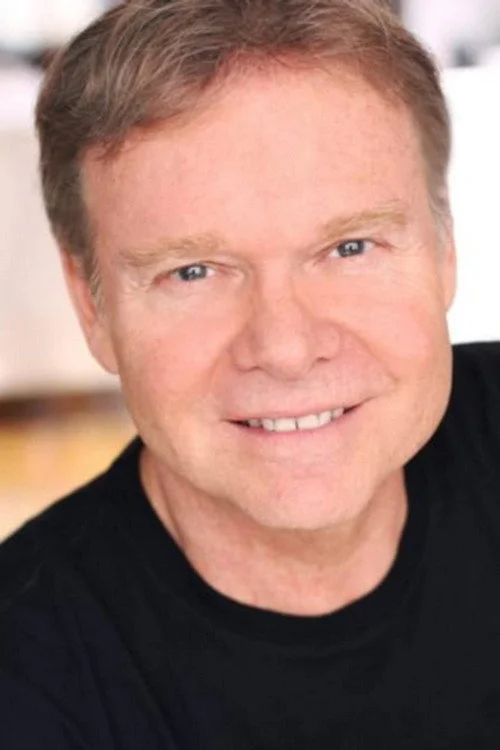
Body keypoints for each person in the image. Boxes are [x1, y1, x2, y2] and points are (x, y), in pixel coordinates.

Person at [1, 1, 500, 747]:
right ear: (92, 305)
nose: (287, 347)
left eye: (350, 248)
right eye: (193, 271)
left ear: (444, 249)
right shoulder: (26, 679)